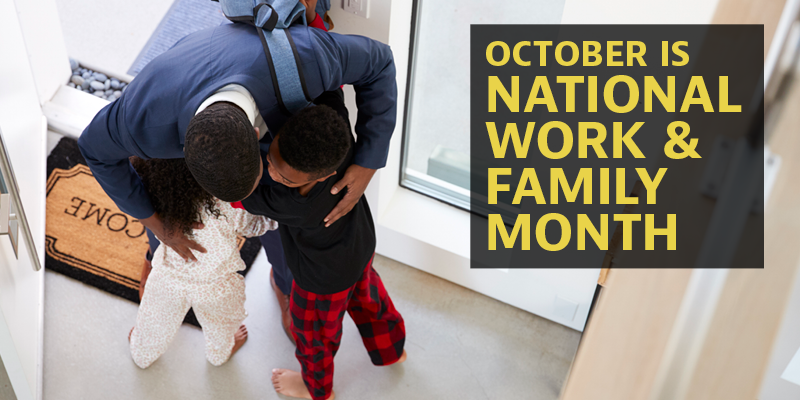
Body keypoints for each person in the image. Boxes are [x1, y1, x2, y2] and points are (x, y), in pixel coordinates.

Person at [77, 1, 397, 340]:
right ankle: (159, 258)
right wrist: (157, 226)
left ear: (259, 136)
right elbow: (93, 150)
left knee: (278, 213)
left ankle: (285, 283)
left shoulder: (307, 59)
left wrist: (368, 160)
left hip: (265, 78)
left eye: (265, 172)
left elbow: (379, 62)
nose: (271, 177)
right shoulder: (142, 120)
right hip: (180, 99)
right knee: (164, 199)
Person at [234, 90, 405, 400]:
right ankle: (391, 350)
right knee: (371, 301)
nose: (272, 173)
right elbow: (333, 94)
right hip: (360, 248)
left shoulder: (294, 204)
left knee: (314, 336)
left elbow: (239, 194)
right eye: (271, 159)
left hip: (320, 282)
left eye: (284, 177)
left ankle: (316, 389)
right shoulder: (340, 135)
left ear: (323, 174)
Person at [127, 155, 277, 368]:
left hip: (167, 278)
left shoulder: (152, 198)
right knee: (221, 326)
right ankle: (219, 355)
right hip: (216, 285)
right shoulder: (227, 205)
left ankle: (142, 353)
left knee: (154, 322)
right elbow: (257, 226)